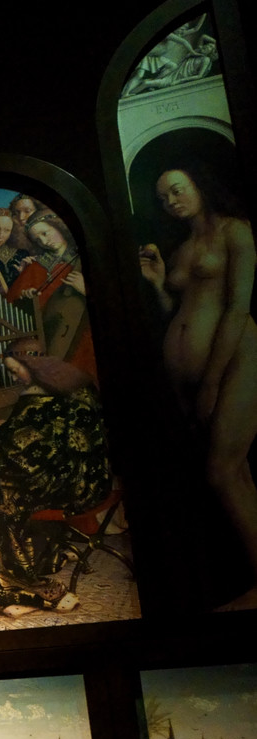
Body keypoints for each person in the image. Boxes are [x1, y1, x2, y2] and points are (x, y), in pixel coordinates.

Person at [139, 164, 257, 609]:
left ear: (198, 185)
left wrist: (210, 382)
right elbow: (179, 312)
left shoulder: (236, 231)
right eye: (163, 198)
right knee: (237, 475)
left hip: (237, 358)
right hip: (189, 377)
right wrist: (158, 286)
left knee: (222, 472)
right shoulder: (182, 248)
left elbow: (237, 307)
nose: (171, 201)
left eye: (176, 190)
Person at [0, 346, 112, 623]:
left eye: (14, 370)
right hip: (92, 480)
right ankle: (14, 565)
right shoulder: (73, 383)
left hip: (68, 488)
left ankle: (3, 580)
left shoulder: (36, 397)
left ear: (31, 364)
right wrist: (10, 427)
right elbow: (44, 435)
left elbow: (16, 454)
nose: (13, 377)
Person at [7, 209, 96, 379]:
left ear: (58, 226)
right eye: (37, 239)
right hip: (55, 341)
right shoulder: (34, 268)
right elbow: (11, 309)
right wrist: (26, 299)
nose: (43, 241)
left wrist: (86, 290)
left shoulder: (86, 256)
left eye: (45, 233)